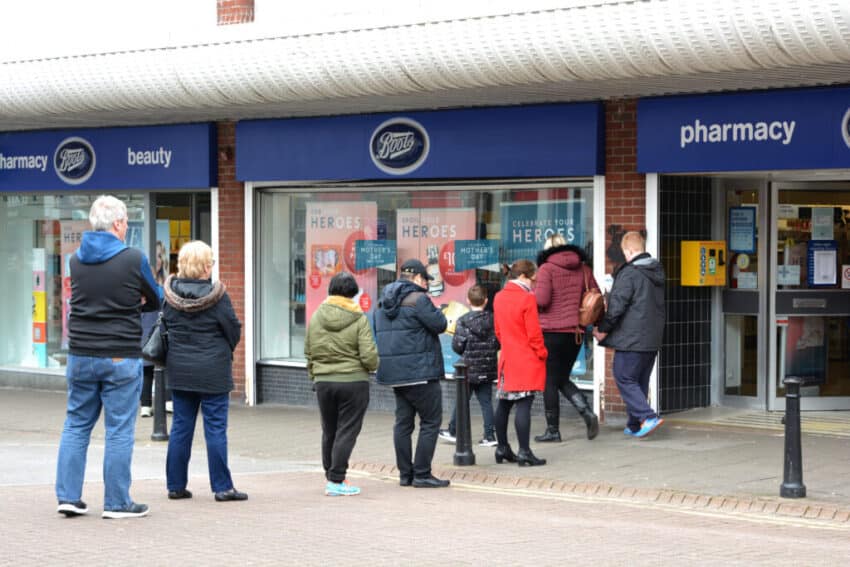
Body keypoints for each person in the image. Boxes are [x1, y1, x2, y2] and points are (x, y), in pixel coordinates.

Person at [56, 195, 160, 519]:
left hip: (80, 353)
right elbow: (155, 299)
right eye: (126, 221)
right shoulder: (133, 258)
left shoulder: (76, 260)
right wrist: (134, 301)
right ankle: (116, 502)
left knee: (76, 424)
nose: (127, 226)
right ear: (117, 223)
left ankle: (68, 497)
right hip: (120, 355)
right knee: (118, 429)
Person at [162, 240, 246, 502]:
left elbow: (165, 329)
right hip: (213, 372)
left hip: (180, 371)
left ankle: (175, 486)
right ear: (205, 266)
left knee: (180, 428)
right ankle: (222, 487)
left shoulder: (170, 297)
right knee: (216, 429)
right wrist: (221, 350)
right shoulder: (218, 297)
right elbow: (233, 330)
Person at [374, 259, 450, 488]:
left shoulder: (382, 302)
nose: (426, 283)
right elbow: (440, 325)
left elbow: (379, 332)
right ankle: (422, 473)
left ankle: (405, 474)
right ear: (417, 278)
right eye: (425, 279)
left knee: (403, 424)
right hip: (421, 372)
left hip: (396, 374)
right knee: (430, 422)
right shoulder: (419, 300)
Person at [304, 272, 379, 497]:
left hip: (324, 382)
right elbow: (368, 356)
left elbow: (309, 351)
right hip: (353, 381)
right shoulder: (359, 318)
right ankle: (336, 480)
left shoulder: (317, 316)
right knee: (347, 431)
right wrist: (373, 365)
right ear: (353, 293)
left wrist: (315, 376)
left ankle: (332, 476)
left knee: (330, 430)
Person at [593, 231, 666, 438]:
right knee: (639, 380)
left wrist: (603, 329)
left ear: (630, 250)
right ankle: (635, 424)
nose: (624, 257)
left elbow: (617, 307)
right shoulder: (656, 270)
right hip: (651, 338)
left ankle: (648, 416)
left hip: (632, 338)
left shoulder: (630, 273)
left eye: (625, 253)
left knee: (624, 376)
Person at [533, 233, 600, 442]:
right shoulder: (584, 268)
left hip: (550, 333)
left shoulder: (546, 269)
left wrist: (530, 294)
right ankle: (587, 412)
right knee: (561, 378)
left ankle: (553, 430)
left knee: (549, 382)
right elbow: (596, 295)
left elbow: (542, 300)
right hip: (575, 334)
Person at [492, 259, 548, 467]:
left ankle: (502, 447)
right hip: (525, 359)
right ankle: (524, 451)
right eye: (534, 278)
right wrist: (542, 353)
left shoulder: (498, 297)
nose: (535, 282)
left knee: (504, 404)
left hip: (507, 358)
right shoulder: (527, 299)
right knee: (524, 404)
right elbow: (534, 334)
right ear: (525, 276)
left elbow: (498, 330)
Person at [439, 285, 499, 447]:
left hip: (469, 368)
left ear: (467, 300)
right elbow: (498, 342)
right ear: (486, 301)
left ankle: (453, 430)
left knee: (462, 399)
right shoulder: (494, 319)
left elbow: (457, 346)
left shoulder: (464, 321)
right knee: (486, 402)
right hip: (487, 367)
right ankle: (490, 435)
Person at [139, 309, 171, 417]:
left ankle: (145, 406)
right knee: (166, 367)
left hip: (143, 333)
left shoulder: (139, 294)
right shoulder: (164, 293)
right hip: (160, 332)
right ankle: (169, 401)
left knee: (146, 373)